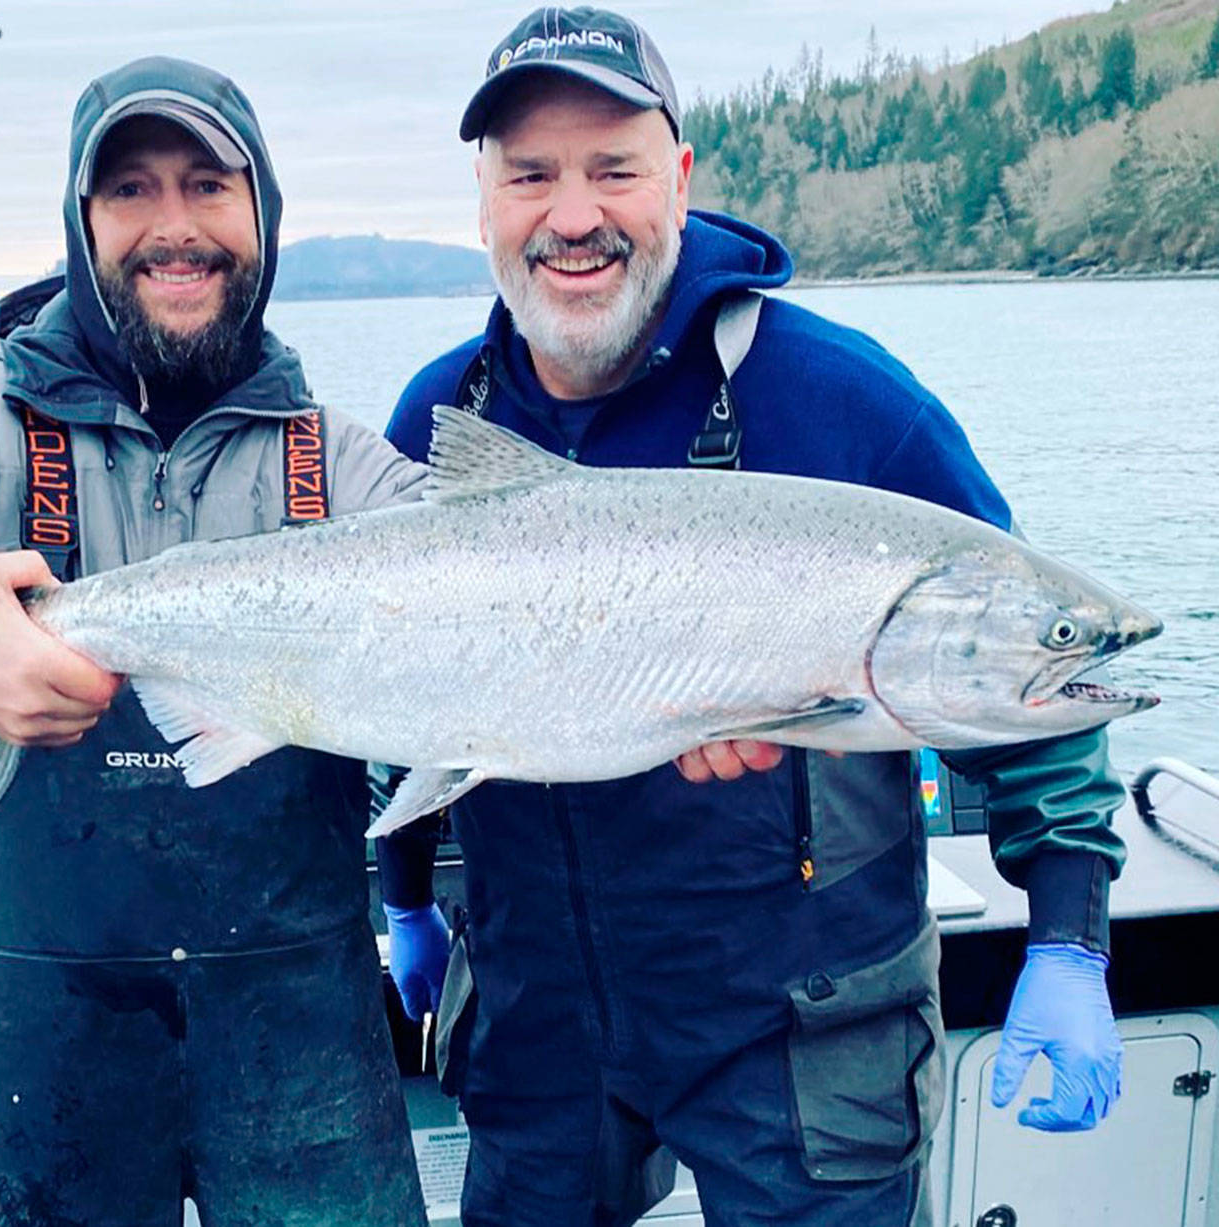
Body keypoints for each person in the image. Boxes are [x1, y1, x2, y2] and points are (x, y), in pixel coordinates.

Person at [378, 8, 1127, 1226]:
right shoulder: (433, 419)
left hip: (802, 1026)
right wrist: (404, 889)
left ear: (675, 180)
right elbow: (393, 682)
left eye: (613, 169)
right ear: (483, 203)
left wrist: (1067, 936)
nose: (574, 215)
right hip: (535, 1020)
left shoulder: (845, 403)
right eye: (531, 176)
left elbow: (1019, 667)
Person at [0, 57, 429, 1227]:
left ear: (261, 215)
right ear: (78, 217)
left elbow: (496, 612)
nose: (175, 228)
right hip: (39, 1055)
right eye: (131, 192)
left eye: (209, 186)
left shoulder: (351, 471)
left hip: (304, 1039)